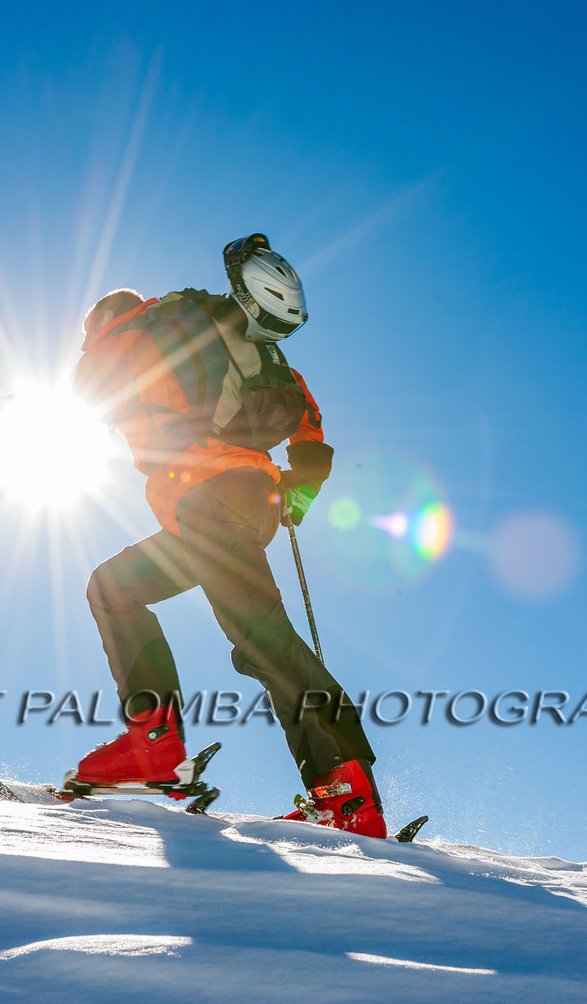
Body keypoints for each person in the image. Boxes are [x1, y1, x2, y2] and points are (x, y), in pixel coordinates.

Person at [60, 233, 386, 838]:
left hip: (209, 502)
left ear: (102, 320)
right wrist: (297, 494)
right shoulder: (221, 333)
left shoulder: (128, 335)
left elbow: (70, 404)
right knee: (115, 586)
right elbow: (310, 430)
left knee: (260, 636)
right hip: (237, 505)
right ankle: (156, 744)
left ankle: (346, 791)